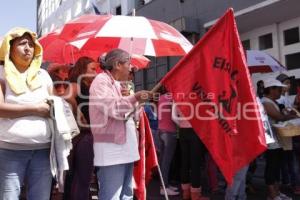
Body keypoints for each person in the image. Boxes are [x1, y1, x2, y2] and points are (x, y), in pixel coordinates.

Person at [89, 48, 152, 199]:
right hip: (111, 150)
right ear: (117, 64)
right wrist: (134, 98)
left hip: (126, 149)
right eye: (129, 64)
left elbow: (134, 116)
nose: (131, 68)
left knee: (126, 195)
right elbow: (113, 108)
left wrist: (135, 100)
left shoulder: (118, 84)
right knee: (112, 196)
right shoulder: (100, 81)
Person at [0, 27, 53, 200]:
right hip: (10, 150)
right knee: (9, 197)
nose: (28, 48)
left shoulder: (44, 75)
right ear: (9, 48)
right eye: (22, 44)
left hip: (43, 150)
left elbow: (54, 104)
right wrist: (35, 109)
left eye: (31, 44)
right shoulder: (1, 74)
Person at [63, 57, 99, 200]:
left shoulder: (89, 87)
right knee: (82, 176)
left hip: (86, 134)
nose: (96, 72)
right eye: (93, 69)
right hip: (82, 136)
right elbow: (67, 97)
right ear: (83, 70)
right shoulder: (76, 84)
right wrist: (78, 113)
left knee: (79, 176)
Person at [261, 78, 296, 200]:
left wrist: (288, 113)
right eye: (279, 89)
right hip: (270, 140)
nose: (281, 92)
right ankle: (272, 194)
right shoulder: (265, 102)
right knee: (271, 167)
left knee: (276, 167)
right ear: (271, 90)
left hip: (277, 139)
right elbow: (278, 117)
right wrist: (292, 116)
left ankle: (276, 192)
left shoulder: (272, 101)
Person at [172, 103, 209, 200]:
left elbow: (173, 117)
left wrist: (181, 124)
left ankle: (186, 193)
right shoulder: (196, 97)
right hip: (195, 132)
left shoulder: (177, 97)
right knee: (195, 164)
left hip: (183, 131)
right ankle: (195, 195)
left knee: (185, 162)